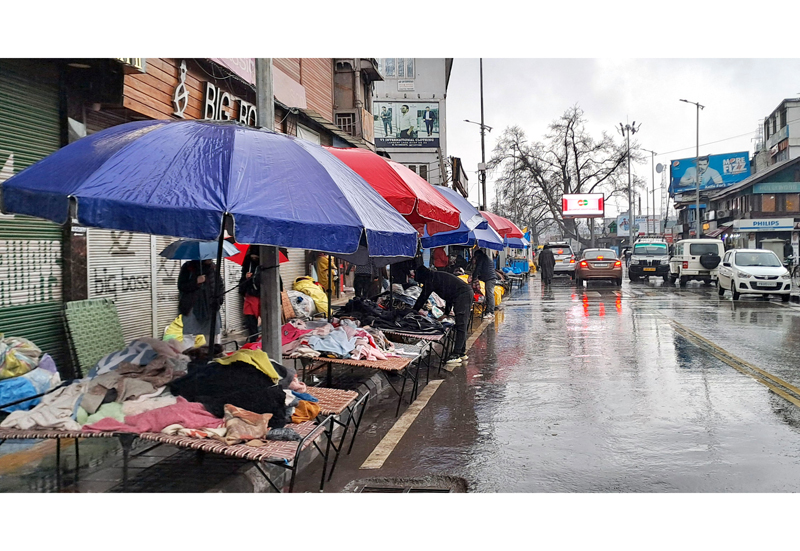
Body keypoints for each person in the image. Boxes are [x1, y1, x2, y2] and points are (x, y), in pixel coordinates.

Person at [411, 266, 473, 366]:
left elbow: (423, 297)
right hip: (463, 295)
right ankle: (461, 352)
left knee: (461, 325)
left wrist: (413, 311)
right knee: (461, 324)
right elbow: (449, 296)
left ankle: (456, 354)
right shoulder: (436, 276)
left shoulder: (431, 280)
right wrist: (446, 314)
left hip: (463, 296)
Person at [178, 259, 224, 344]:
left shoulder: (213, 268)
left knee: (213, 335)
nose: (210, 259)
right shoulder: (188, 267)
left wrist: (219, 300)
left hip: (211, 307)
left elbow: (220, 285)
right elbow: (182, 286)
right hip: (192, 307)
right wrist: (196, 281)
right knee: (189, 334)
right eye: (208, 257)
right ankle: (188, 356)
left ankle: (214, 356)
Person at [238, 246, 261, 342]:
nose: (254, 259)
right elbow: (242, 282)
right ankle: (253, 341)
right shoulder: (247, 263)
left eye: (256, 258)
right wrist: (246, 278)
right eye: (253, 257)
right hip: (249, 296)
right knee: (251, 322)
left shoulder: (265, 265)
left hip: (262, 297)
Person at [470, 248, 497, 319]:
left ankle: (490, 312)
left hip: (490, 279)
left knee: (490, 295)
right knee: (489, 295)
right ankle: (488, 311)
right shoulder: (486, 258)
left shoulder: (481, 259)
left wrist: (474, 277)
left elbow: (478, 268)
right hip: (490, 278)